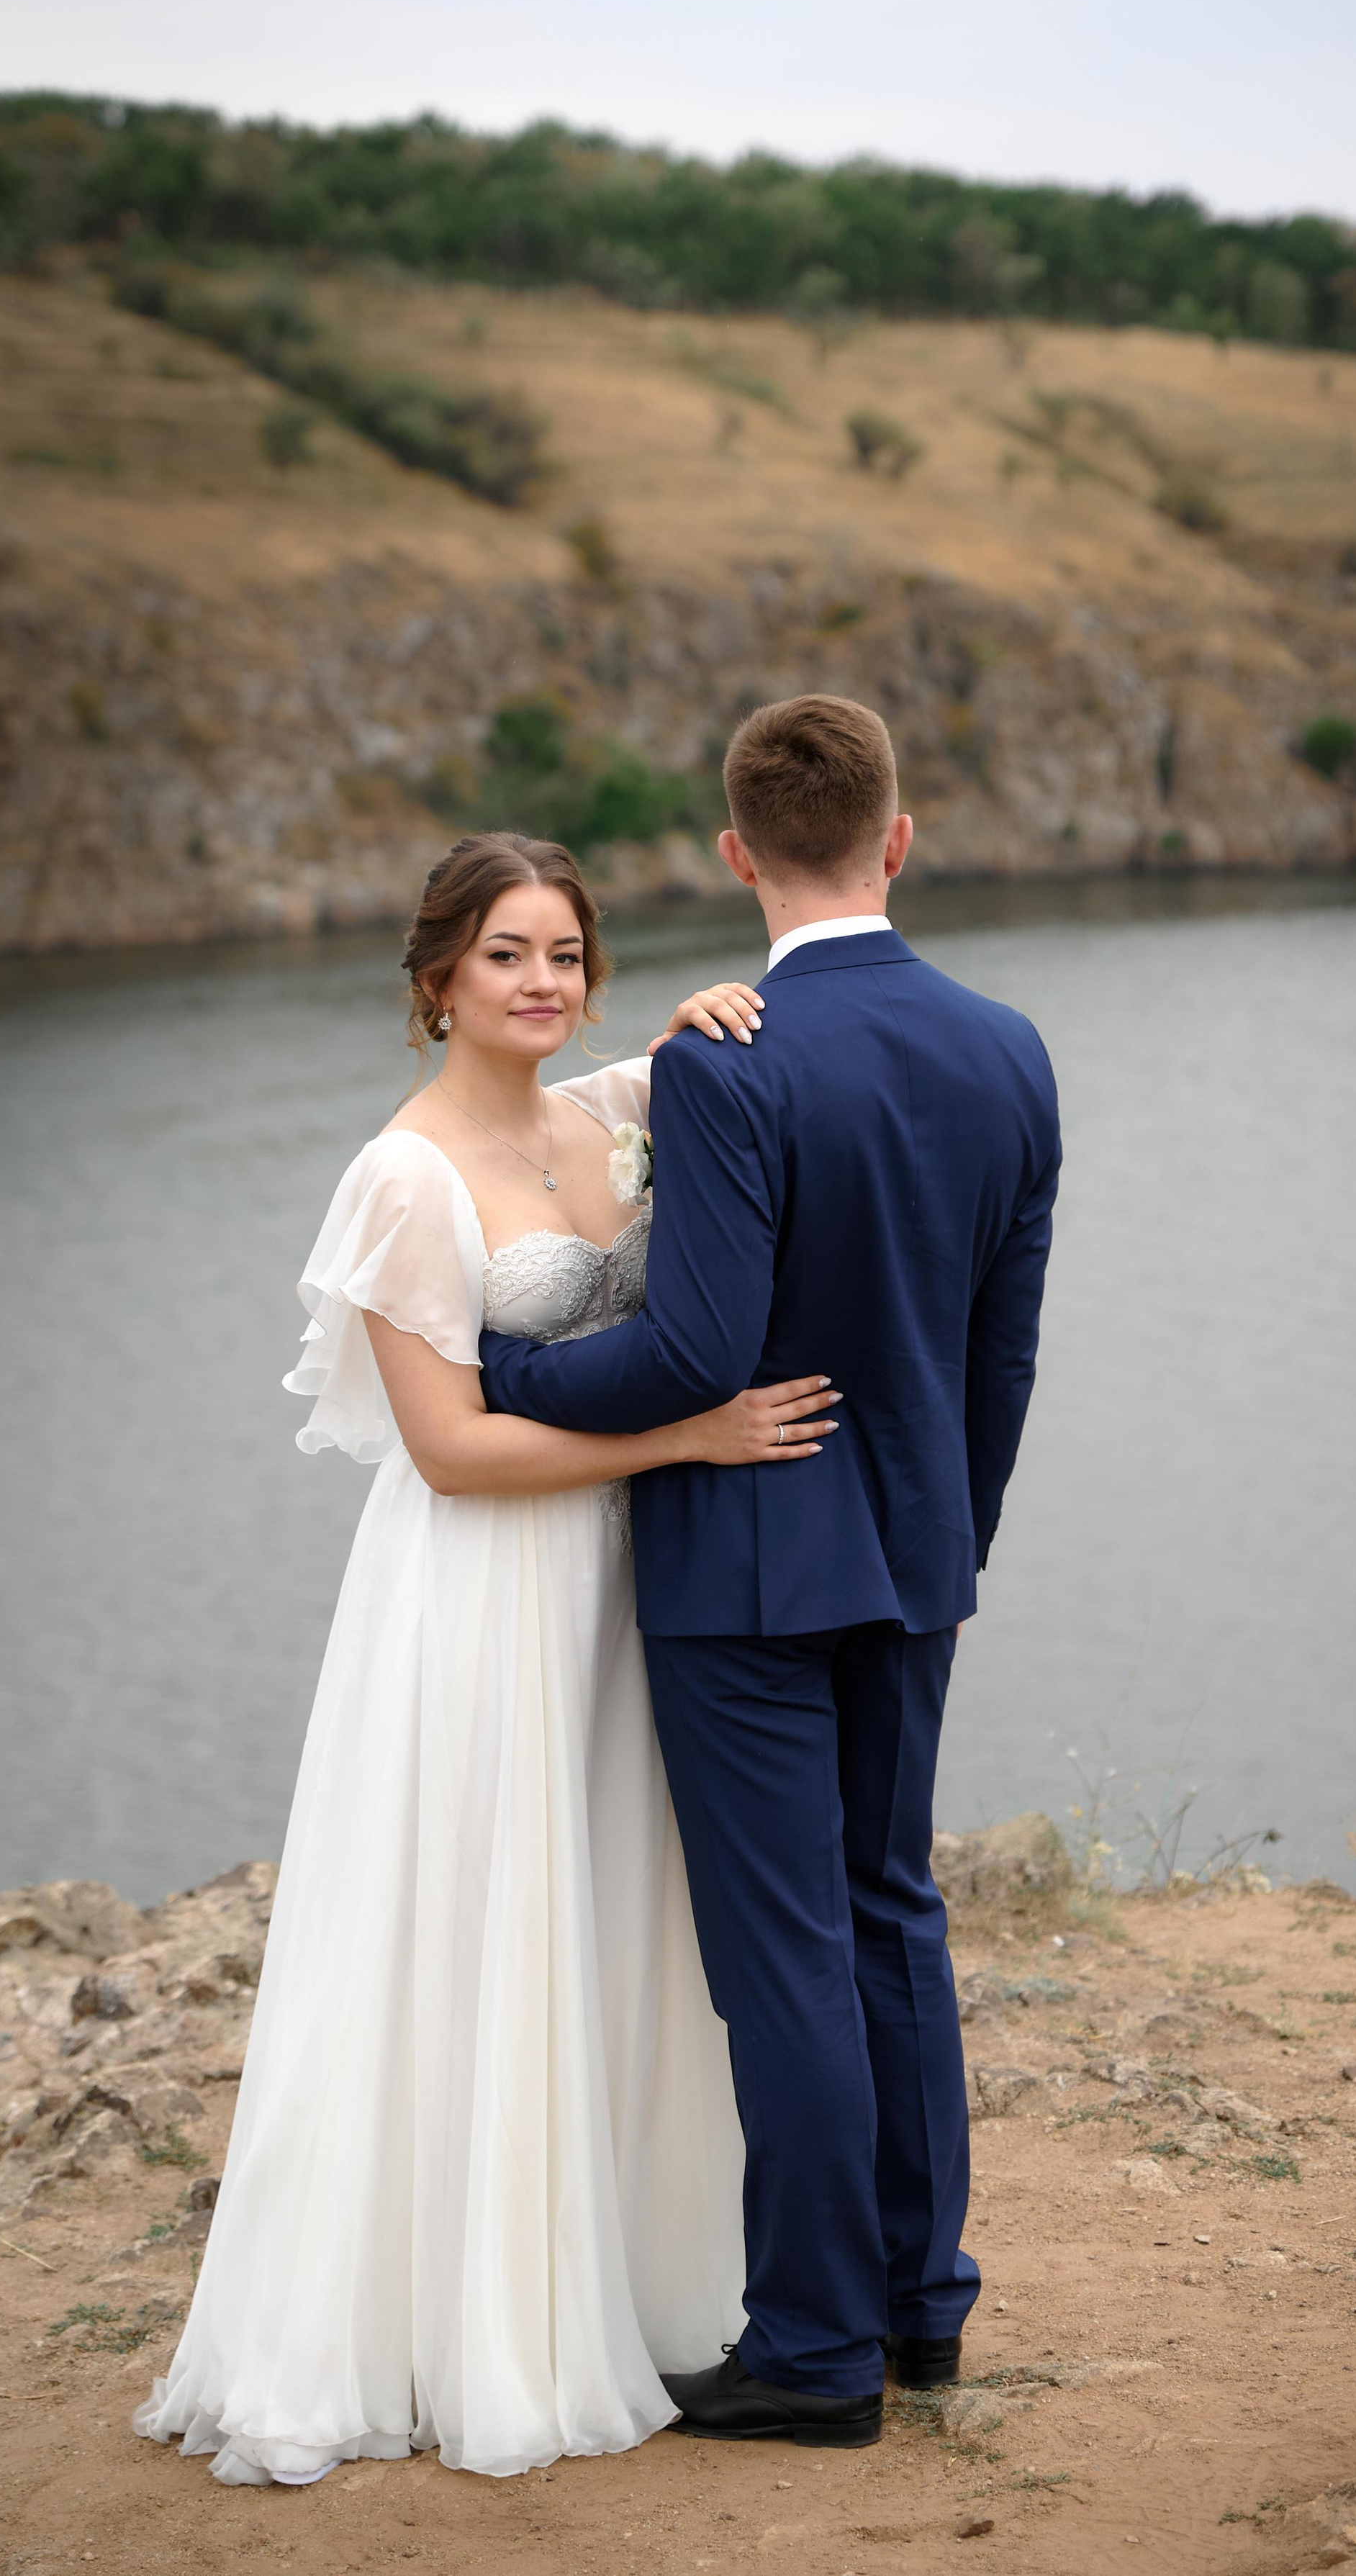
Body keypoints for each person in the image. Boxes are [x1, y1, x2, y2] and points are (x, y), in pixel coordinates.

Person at [135, 832, 836, 2487]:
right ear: (438, 973)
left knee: (606, 1915)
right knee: (478, 1923)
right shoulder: (401, 1175)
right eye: (509, 955)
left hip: (610, 1585)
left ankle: (613, 2278)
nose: (542, 983)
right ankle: (453, 2317)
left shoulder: (602, 1111)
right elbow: (445, 1448)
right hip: (480, 1587)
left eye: (566, 955)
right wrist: (693, 1439)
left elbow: (690, 1065)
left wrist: (714, 1012)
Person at [479, 695, 1061, 2450]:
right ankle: (919, 2307)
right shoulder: (1009, 1049)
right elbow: (1001, 1350)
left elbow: (695, 1351)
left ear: (736, 855)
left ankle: (812, 2354)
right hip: (914, 1551)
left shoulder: (734, 1061)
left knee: (787, 1953)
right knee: (892, 1915)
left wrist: (502, 1379)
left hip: (740, 1566)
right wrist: (945, 1530)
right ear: (897, 837)